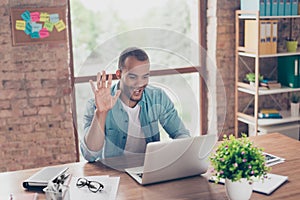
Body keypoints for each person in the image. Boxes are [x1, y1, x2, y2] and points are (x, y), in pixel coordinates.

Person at [80, 47, 190, 162]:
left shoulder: (158, 97)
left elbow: (181, 134)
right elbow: (90, 155)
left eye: (145, 76)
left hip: (148, 170)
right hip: (114, 173)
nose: (140, 83)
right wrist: (101, 113)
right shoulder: (95, 104)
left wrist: (173, 153)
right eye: (132, 77)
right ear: (119, 74)